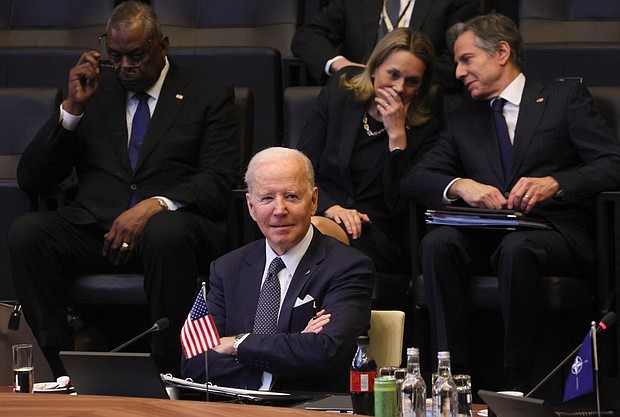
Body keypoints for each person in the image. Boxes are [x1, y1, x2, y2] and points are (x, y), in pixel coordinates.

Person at [8, 1, 239, 378]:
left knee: (166, 232)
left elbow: (218, 179)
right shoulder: (92, 92)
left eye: (136, 55)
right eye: (115, 56)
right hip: (98, 230)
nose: (125, 67)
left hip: (173, 232)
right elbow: (32, 180)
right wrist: (71, 111)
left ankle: (171, 371)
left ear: (162, 45)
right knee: (28, 233)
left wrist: (154, 205)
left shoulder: (207, 94)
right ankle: (60, 365)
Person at [402, 13, 620, 390]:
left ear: (501, 52)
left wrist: (556, 182)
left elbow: (612, 163)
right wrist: (460, 185)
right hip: (486, 235)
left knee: (518, 249)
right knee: (438, 243)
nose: (456, 72)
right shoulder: (463, 119)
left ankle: (518, 380)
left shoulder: (562, 98)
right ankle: (452, 376)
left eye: (466, 59)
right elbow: (416, 178)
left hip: (553, 232)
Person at [181, 147, 374, 392]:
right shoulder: (227, 268)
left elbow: (324, 353)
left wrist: (238, 343)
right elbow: (196, 363)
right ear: (251, 206)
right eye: (267, 198)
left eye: (292, 196)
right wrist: (290, 350)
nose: (279, 210)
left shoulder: (348, 267)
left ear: (313, 201)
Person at [297, 28, 439, 275]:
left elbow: (399, 205)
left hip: (377, 236)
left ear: (420, 87)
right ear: (374, 68)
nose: (399, 87)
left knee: (307, 236)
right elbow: (301, 167)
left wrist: (397, 137)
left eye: (412, 81)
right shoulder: (338, 99)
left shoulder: (426, 130)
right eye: (392, 74)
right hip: (324, 214)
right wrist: (331, 208)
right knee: (297, 230)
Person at [291, 0, 479, 93]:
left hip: (418, 99)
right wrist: (341, 65)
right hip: (356, 95)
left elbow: (457, 61)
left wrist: (402, 76)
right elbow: (307, 37)